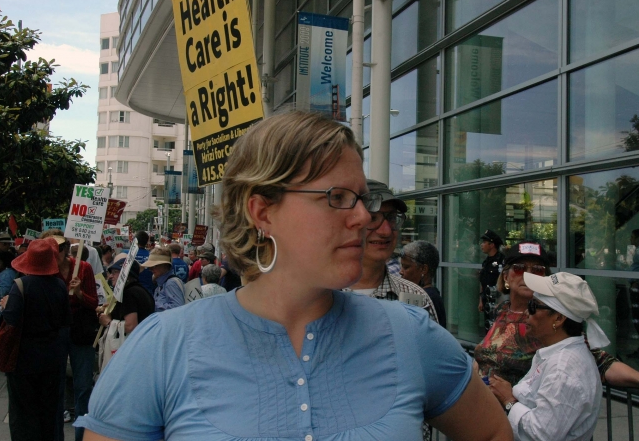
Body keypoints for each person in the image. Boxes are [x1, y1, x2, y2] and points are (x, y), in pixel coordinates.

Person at [78, 111, 511, 440]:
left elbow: (493, 432)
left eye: (361, 198)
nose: (365, 217)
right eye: (337, 197)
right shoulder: (163, 347)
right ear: (263, 211)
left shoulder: (409, 334)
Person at [475, 240, 639, 389]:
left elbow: (602, 362)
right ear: (506, 276)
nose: (528, 274)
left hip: (515, 408)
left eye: (537, 270)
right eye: (519, 268)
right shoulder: (503, 309)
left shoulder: (548, 319)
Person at [490, 272, 607, 440]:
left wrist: (508, 400)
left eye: (533, 306)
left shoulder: (563, 369)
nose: (526, 312)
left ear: (558, 318)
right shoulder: (555, 355)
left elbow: (542, 434)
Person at [0, 238, 72, 440]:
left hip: (24, 358)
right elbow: (66, 320)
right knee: (49, 410)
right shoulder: (60, 286)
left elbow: (11, 320)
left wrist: (6, 306)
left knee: (23, 412)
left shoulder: (21, 285)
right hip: (52, 357)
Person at [345, 179, 438, 322]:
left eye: (392, 218)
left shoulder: (416, 297)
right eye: (372, 218)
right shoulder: (319, 297)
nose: (386, 231)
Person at [44, 232, 98, 441]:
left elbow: (93, 302)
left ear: (65, 249)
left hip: (80, 331)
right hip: (56, 332)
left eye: (58, 249)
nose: (54, 254)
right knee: (55, 387)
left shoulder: (83, 268)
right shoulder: (46, 271)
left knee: (83, 386)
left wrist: (79, 294)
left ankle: (81, 436)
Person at [97, 255, 155, 335]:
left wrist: (108, 322)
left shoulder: (129, 294)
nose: (110, 276)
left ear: (126, 275)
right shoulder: (140, 290)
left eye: (114, 272)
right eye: (111, 273)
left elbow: (130, 326)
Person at [400, 240, 446, 328]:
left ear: (423, 269)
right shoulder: (429, 295)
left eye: (406, 267)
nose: (401, 272)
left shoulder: (423, 298)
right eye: (401, 266)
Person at [141, 247, 185, 312]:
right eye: (150, 266)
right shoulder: (163, 283)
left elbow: (177, 308)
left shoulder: (170, 283)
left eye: (154, 266)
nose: (150, 269)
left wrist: (152, 305)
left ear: (165, 265)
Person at [478, 229, 505, 331]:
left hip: (498, 301)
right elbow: (483, 282)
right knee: (488, 328)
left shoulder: (502, 261)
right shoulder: (486, 262)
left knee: (498, 329)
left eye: (484, 242)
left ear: (492, 245)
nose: (482, 245)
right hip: (487, 301)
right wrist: (481, 300)